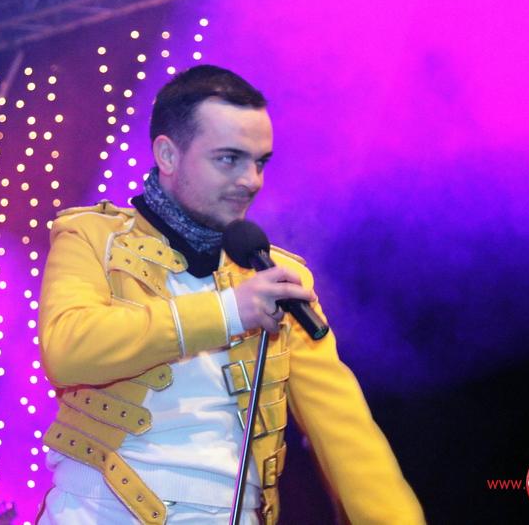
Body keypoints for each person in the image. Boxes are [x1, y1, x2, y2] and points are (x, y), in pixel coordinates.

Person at [37, 65, 424, 524]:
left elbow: (347, 435)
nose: (251, 180)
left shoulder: (279, 277)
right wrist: (227, 312)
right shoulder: (91, 236)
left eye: (260, 162)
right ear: (168, 155)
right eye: (229, 159)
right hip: (97, 510)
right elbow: (68, 350)